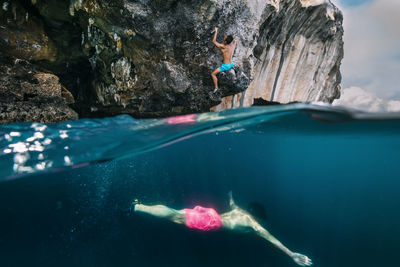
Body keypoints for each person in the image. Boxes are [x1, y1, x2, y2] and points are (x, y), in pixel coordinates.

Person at [133, 192, 313, 266]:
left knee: (177, 214)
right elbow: (273, 240)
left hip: (211, 214)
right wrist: (291, 254)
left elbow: (232, 203)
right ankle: (137, 208)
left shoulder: (240, 211)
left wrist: (230, 194)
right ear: (258, 216)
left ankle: (141, 205)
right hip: (213, 223)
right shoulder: (254, 225)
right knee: (175, 216)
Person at [211, 27, 237, 93]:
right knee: (231, 63)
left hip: (225, 66)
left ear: (225, 41)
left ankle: (216, 87)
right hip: (231, 64)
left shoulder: (224, 47)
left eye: (225, 37)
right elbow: (235, 40)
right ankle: (232, 68)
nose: (224, 36)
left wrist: (216, 31)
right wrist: (231, 39)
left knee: (213, 74)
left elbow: (214, 41)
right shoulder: (233, 45)